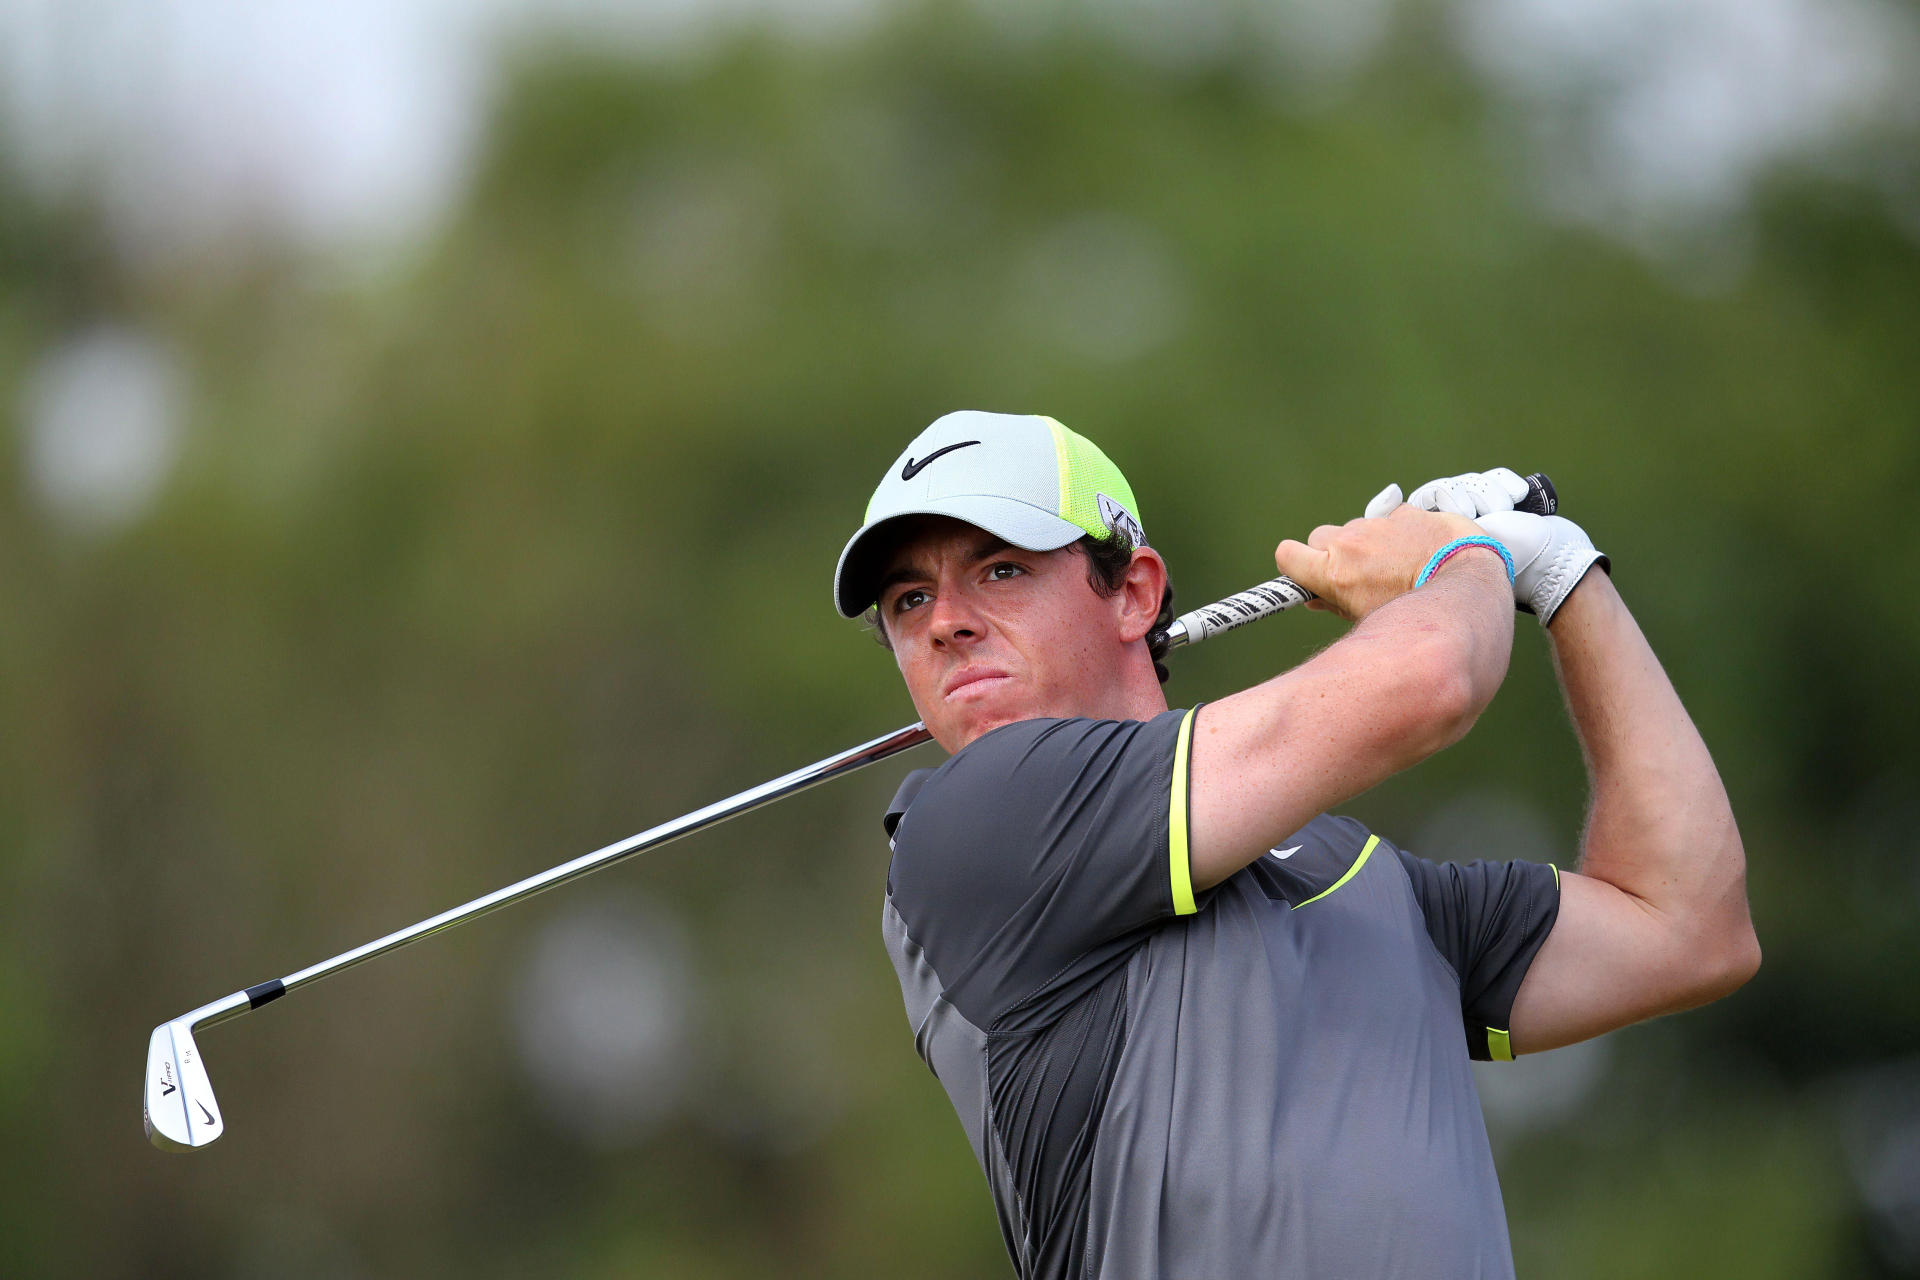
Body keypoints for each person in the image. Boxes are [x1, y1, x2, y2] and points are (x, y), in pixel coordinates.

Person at [833, 410, 1759, 1280]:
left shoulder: (1359, 876)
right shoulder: (976, 823)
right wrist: (1463, 558)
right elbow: (1433, 677)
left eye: (1000, 570)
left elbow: (1690, 927)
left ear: (1135, 594)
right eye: (909, 600)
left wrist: (1566, 580)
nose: (944, 621)